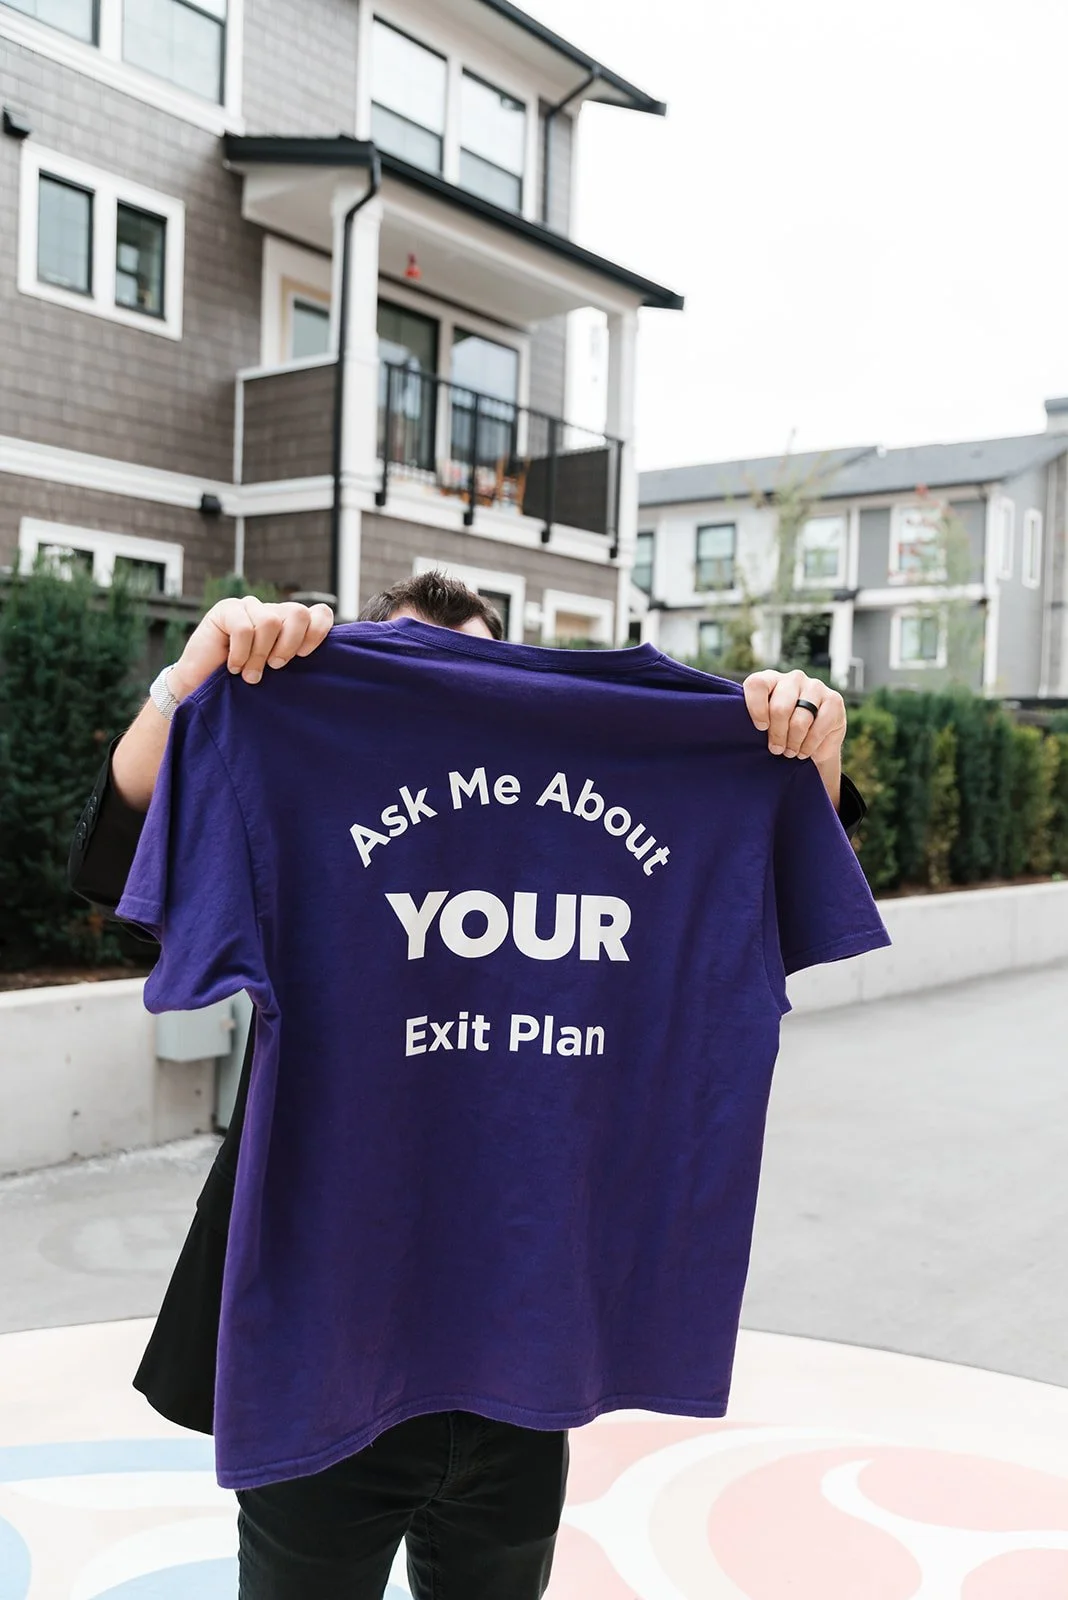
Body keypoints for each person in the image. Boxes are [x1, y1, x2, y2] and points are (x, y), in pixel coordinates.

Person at [69, 572, 870, 1600]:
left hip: (527, 1342)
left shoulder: (647, 762)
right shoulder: (296, 743)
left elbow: (781, 890)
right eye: (414, 669)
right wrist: (191, 686)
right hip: (327, 1338)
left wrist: (806, 760)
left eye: (479, 673)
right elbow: (122, 861)